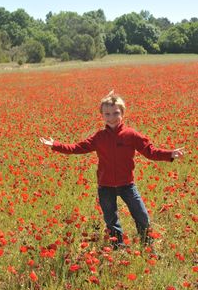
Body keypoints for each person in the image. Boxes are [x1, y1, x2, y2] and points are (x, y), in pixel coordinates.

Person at [40, 91, 185, 250]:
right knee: (111, 220)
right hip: (106, 186)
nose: (112, 117)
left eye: (116, 113)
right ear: (102, 115)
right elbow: (77, 148)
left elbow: (150, 151)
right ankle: (117, 248)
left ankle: (148, 246)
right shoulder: (99, 137)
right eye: (107, 114)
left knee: (142, 216)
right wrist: (55, 145)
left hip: (127, 185)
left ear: (122, 113)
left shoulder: (131, 135)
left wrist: (169, 154)